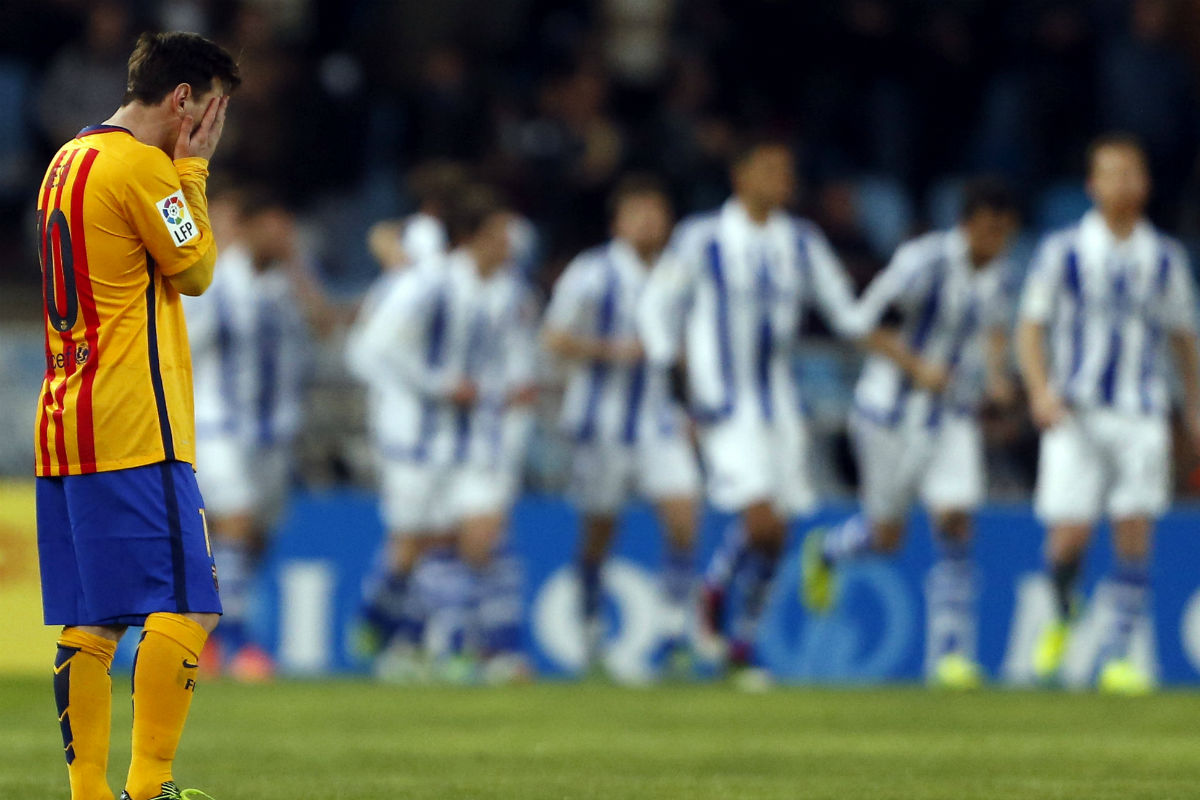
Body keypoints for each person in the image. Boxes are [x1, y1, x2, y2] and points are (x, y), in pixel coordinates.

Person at [34, 31, 237, 800]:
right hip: (134, 424)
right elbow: (195, 271)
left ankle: (89, 794)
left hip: (66, 419)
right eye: (215, 111)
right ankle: (150, 789)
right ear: (183, 99)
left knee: (96, 619)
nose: (216, 127)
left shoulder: (67, 160)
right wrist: (194, 169)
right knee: (187, 605)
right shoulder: (145, 166)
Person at [638, 137, 859, 688]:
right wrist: (675, 380)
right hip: (723, 404)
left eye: (786, 170)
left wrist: (890, 327)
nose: (781, 180)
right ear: (740, 177)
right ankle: (713, 598)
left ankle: (741, 641)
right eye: (768, 170)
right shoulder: (702, 237)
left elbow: (845, 312)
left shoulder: (802, 241)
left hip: (780, 405)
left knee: (776, 534)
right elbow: (656, 307)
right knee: (760, 519)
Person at [801, 177, 1020, 689]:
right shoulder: (924, 264)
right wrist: (916, 365)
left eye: (1005, 232)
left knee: (956, 518)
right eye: (988, 229)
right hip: (889, 413)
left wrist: (997, 377)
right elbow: (863, 323)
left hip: (950, 416)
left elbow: (993, 329)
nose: (996, 241)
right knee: (886, 536)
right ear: (966, 225)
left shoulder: (1001, 276)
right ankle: (829, 550)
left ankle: (949, 655)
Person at [1016, 133, 1200, 694]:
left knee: (1133, 528)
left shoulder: (1166, 258)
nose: (1123, 183)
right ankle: (1067, 606)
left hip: (1141, 412)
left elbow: (1183, 338)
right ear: (1092, 185)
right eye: (1111, 173)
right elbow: (1030, 325)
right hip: (1076, 412)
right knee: (1067, 540)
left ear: (1144, 184)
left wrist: (1194, 407)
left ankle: (1121, 656)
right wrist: (1040, 391)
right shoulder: (1062, 251)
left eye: (1132, 173)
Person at [346, 186, 523, 682]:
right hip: (415, 441)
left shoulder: (507, 291)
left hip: (475, 442)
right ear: (472, 238)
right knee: (411, 548)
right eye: (500, 233)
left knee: (480, 535)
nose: (511, 242)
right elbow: (367, 350)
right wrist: (440, 385)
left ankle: (478, 648)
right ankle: (384, 628)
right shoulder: (426, 284)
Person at [543, 175, 701, 678]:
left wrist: (694, 403)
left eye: (657, 213)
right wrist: (613, 351)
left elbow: (691, 346)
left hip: (659, 420)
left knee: (683, 520)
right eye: (639, 214)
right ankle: (590, 630)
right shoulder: (591, 273)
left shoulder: (680, 275)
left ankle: (677, 635)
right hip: (601, 421)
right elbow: (554, 338)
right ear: (618, 222)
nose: (650, 223)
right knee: (599, 532)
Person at [183, 191, 319, 681]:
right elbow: (177, 337)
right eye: (277, 228)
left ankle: (199, 634)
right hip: (218, 423)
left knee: (254, 537)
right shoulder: (216, 278)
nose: (286, 238)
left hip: (274, 431)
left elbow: (323, 327)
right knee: (235, 521)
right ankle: (237, 643)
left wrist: (300, 271)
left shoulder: (286, 286)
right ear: (251, 227)